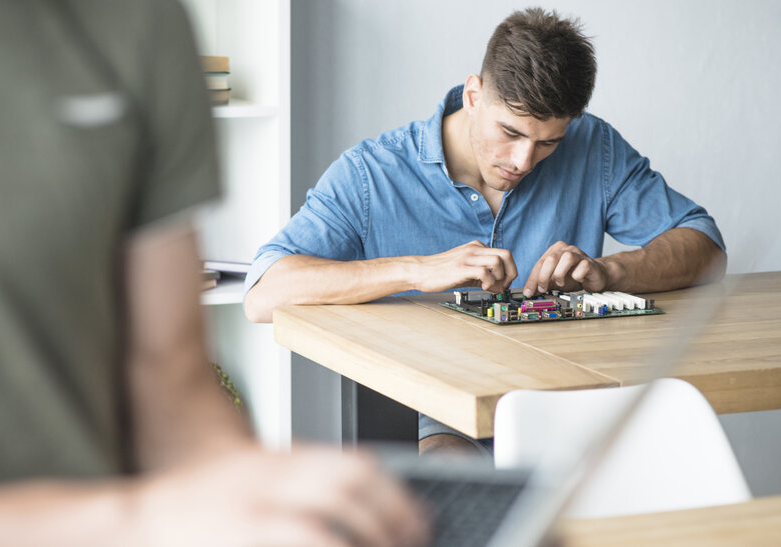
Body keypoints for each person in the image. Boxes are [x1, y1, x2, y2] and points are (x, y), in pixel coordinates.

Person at [0, 1, 428, 545]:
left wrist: (258, 489)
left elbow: (169, 379)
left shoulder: (131, 23)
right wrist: (128, 520)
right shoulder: (374, 172)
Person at [243, 8, 727, 455]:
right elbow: (263, 294)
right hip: (435, 421)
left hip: (571, 406)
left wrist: (610, 271)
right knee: (454, 487)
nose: (523, 161)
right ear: (473, 95)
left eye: (548, 143)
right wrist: (418, 270)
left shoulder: (593, 146)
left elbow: (705, 245)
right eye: (511, 133)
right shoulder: (372, 173)